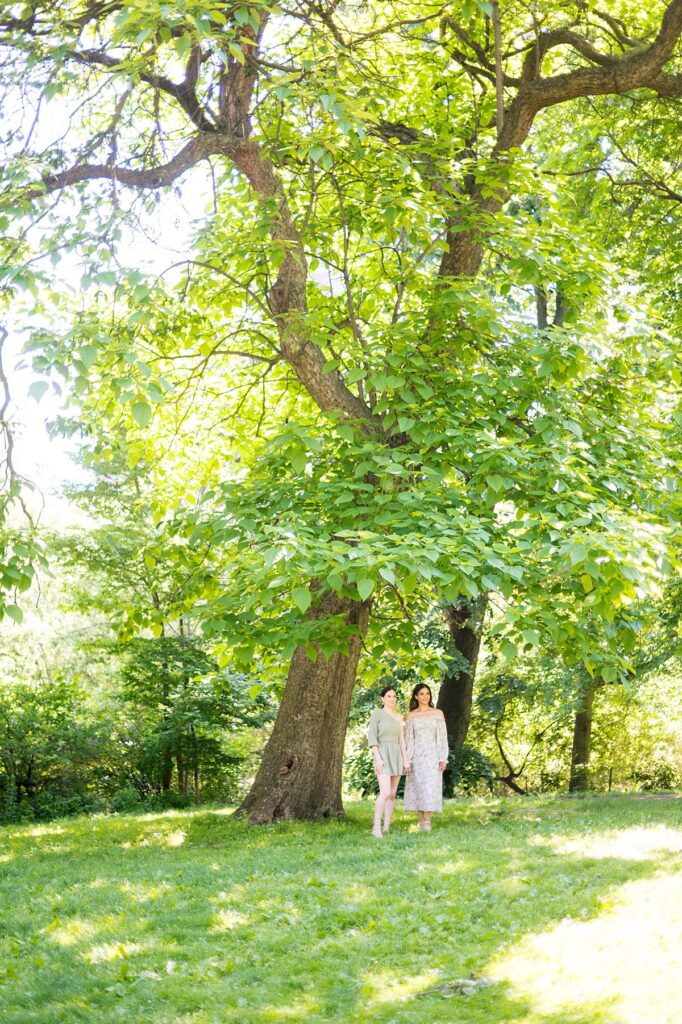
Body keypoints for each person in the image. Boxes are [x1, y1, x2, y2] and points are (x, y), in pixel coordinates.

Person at [403, 683, 448, 831]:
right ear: (416, 696)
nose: (425, 696)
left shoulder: (438, 713)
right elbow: (408, 739)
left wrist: (443, 757)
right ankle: (421, 821)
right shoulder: (410, 716)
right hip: (416, 757)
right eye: (421, 694)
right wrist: (407, 760)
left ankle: (427, 822)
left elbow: (442, 737)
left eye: (427, 693)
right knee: (419, 788)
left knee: (429, 788)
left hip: (432, 756)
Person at [367, 685, 410, 838]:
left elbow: (401, 740)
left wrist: (405, 760)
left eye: (394, 696)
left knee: (392, 794)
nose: (392, 699)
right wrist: (378, 758)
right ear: (383, 699)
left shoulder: (399, 717)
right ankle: (376, 827)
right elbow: (372, 737)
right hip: (383, 753)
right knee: (384, 792)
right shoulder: (377, 713)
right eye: (389, 696)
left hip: (397, 754)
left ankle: (386, 827)